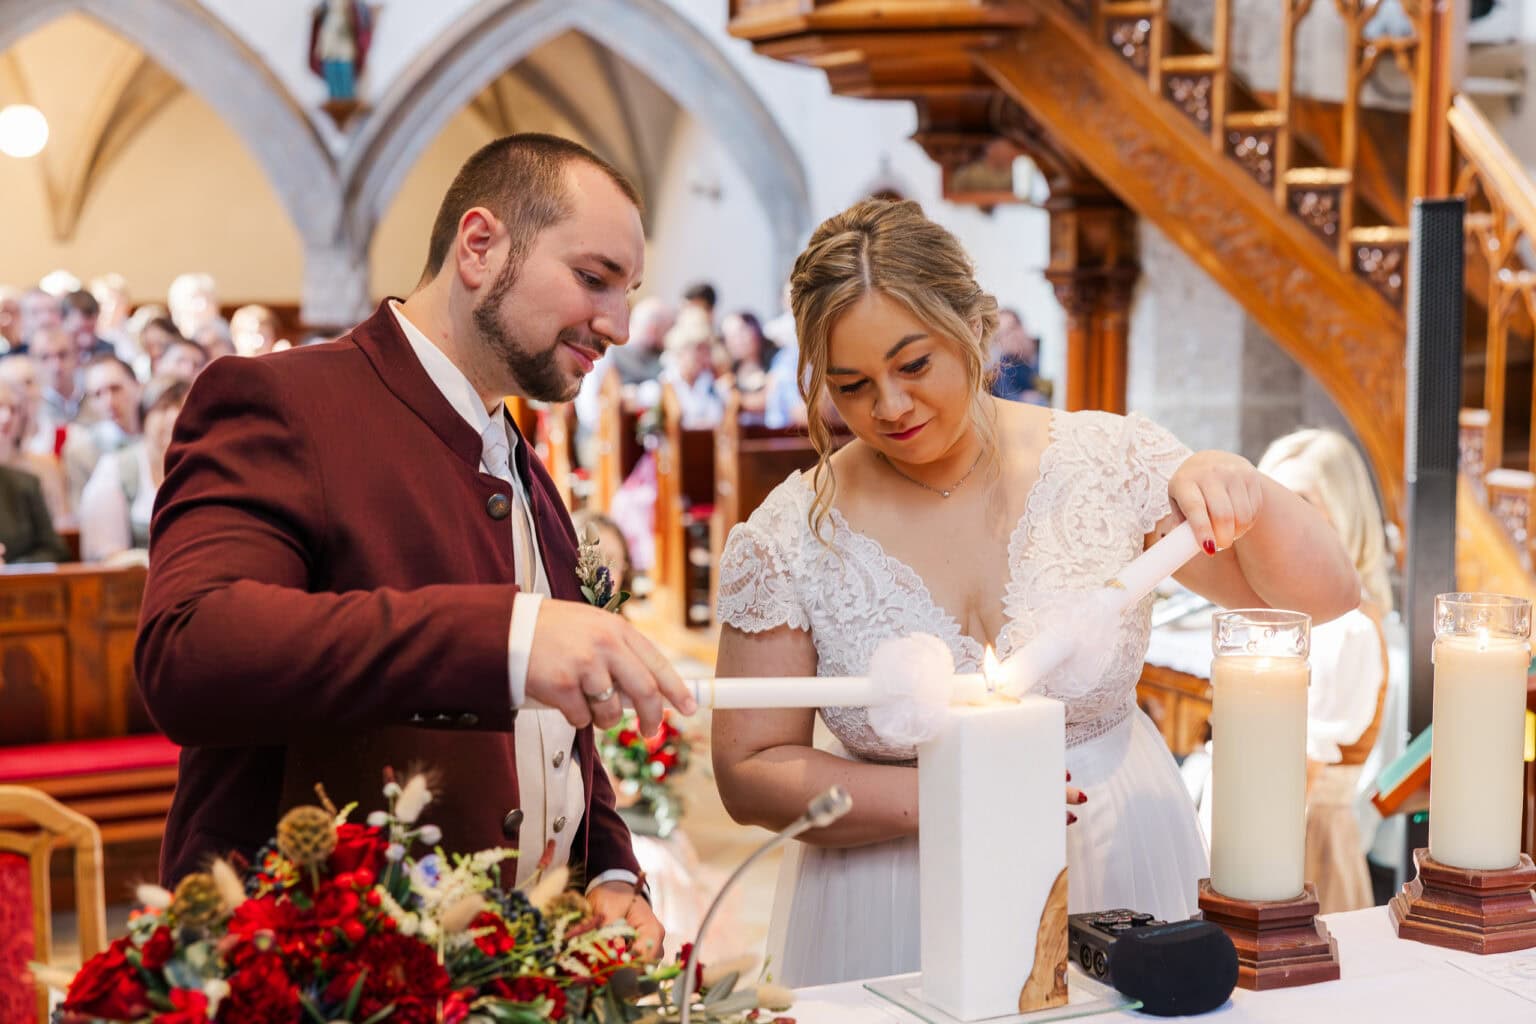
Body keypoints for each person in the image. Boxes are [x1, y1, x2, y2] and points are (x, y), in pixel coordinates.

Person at [710, 199, 1359, 987]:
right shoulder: (786, 535)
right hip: (896, 880)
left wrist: (1238, 483)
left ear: (975, 329)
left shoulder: (1107, 460)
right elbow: (750, 769)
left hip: (1114, 854)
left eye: (914, 365)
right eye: (851, 386)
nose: (889, 407)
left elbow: (1325, 596)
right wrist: (954, 796)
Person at [137, 134, 696, 958]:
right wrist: (507, 635)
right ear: (480, 246)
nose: (615, 323)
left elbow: (556, 737)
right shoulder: (281, 402)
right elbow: (191, 652)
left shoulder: (529, 476)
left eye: (628, 291)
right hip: (319, 975)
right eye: (592, 278)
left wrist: (609, 870)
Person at [1257, 429, 1391, 914]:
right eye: (1274, 501)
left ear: (1345, 514)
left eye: (1305, 502)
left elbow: (1307, 761)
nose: (1287, 520)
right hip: (1263, 818)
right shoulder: (1276, 616)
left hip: (1303, 838)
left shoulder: (1348, 630)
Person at [79, 377, 190, 565]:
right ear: (144, 415)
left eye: (183, 409)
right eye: (163, 408)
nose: (173, 418)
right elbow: (107, 557)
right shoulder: (116, 469)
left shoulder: (203, 469)